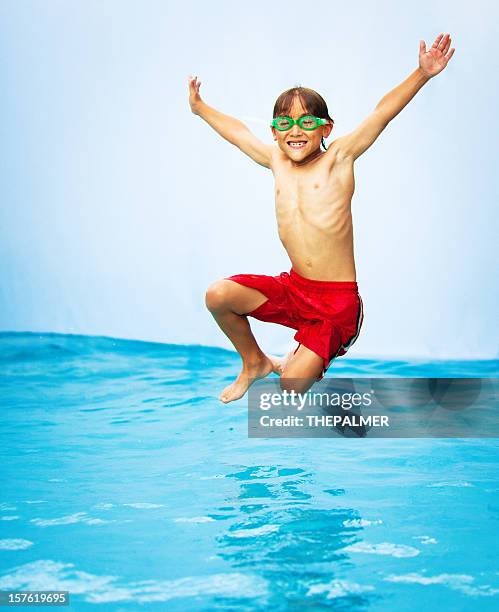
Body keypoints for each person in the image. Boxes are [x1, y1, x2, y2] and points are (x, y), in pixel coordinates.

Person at [188, 33, 455, 403]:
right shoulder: (276, 161)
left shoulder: (339, 159)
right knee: (218, 295)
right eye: (285, 124)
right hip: (296, 289)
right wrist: (201, 108)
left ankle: (301, 358)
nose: (295, 131)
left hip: (336, 303)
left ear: (326, 128)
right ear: (275, 132)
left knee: (292, 385)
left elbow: (382, 113)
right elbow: (237, 133)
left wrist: (421, 74)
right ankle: (255, 363)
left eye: (306, 123)